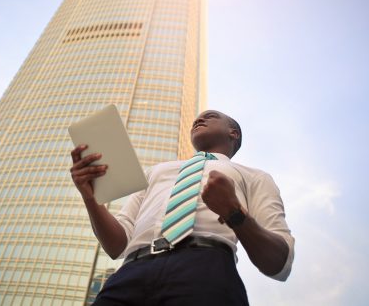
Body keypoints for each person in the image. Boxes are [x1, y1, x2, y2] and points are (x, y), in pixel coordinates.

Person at [70, 110, 294, 305]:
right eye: (196, 119)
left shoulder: (255, 177)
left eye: (211, 116)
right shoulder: (155, 171)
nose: (199, 119)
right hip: (130, 273)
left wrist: (234, 212)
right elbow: (117, 245)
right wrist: (91, 198)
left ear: (233, 133)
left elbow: (279, 263)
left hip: (207, 270)